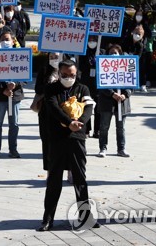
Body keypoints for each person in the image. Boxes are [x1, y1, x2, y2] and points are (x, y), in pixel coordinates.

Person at [36, 59, 97, 232]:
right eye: (65, 75)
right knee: (54, 180)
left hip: (77, 137)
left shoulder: (82, 88)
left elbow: (89, 107)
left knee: (80, 179)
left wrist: (80, 123)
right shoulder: (51, 89)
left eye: (72, 75)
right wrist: (69, 122)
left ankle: (85, 217)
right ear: (59, 73)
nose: (68, 78)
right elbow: (53, 108)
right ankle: (47, 219)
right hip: (56, 139)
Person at [0, 28, 24, 158]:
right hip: (0, 97)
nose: (4, 42)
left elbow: (25, 75)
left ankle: (13, 149)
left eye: (7, 39)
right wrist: (3, 89)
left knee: (14, 124)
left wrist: (14, 84)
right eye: (2, 40)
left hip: (15, 96)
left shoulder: (21, 56)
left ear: (13, 40)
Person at [97, 44, 132, 158]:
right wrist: (112, 94)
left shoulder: (126, 66)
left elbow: (131, 83)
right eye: (111, 52)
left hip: (121, 103)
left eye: (116, 52)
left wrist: (125, 94)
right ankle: (103, 148)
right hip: (107, 102)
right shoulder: (103, 66)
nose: (113, 55)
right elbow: (100, 84)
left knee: (121, 127)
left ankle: (121, 148)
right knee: (104, 126)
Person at [34, 53, 63, 170]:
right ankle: (49, 170)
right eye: (52, 57)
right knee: (46, 141)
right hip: (46, 111)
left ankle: (68, 169)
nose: (54, 59)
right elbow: (37, 89)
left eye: (56, 57)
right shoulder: (44, 70)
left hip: (63, 111)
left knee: (64, 142)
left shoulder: (68, 70)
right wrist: (49, 85)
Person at [78, 35, 104, 138]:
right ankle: (86, 129)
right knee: (87, 106)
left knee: (98, 109)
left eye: (94, 40)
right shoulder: (84, 52)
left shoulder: (101, 51)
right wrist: (90, 64)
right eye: (90, 40)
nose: (92, 42)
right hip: (86, 82)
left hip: (97, 83)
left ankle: (97, 130)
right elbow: (81, 66)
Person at [122, 24, 147, 92]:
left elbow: (139, 55)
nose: (137, 35)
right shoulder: (127, 40)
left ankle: (139, 85)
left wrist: (133, 58)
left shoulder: (140, 45)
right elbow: (123, 49)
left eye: (139, 34)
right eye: (136, 33)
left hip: (135, 62)